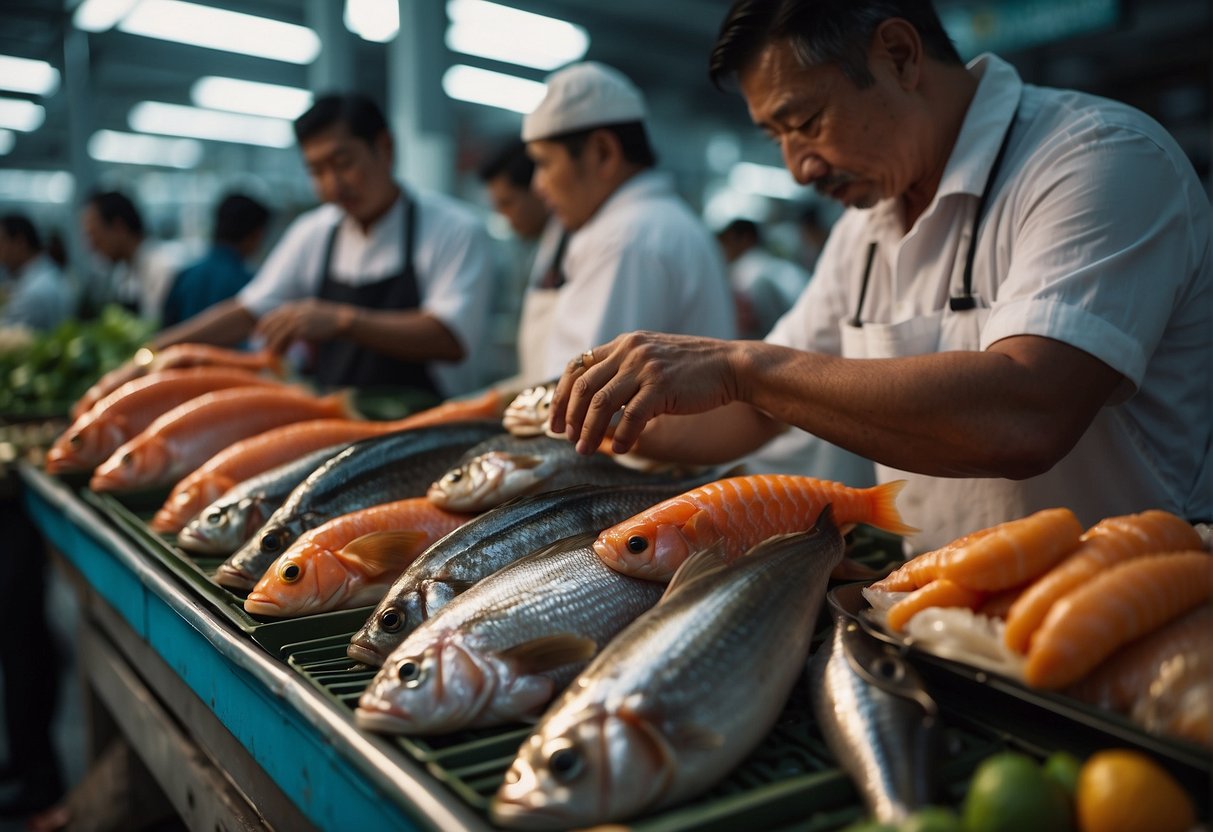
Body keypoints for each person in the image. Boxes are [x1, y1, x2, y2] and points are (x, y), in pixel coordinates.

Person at [549, 0, 1212, 552]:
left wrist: (742, 365)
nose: (797, 170)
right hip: (940, 611)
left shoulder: (1096, 160)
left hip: (1120, 609)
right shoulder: (865, 228)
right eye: (774, 137)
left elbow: (1025, 417)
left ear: (897, 55)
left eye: (805, 123)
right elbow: (750, 414)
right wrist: (604, 422)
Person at [144, 93, 494, 397]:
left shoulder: (454, 229)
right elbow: (249, 310)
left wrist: (344, 321)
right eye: (317, 171)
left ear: (385, 148)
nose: (333, 185)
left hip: (428, 428)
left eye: (342, 163)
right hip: (335, 423)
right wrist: (153, 353)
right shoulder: (315, 232)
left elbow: (450, 339)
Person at [521, 61, 737, 383]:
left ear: (603, 153)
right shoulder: (658, 221)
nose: (538, 185)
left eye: (544, 163)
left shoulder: (624, 237)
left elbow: (585, 398)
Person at [476, 139, 565, 387]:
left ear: (537, 191)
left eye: (507, 203)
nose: (504, 216)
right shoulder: (547, 244)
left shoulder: (579, 240)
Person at [160, 193, 270, 327]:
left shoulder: (185, 277)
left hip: (178, 348)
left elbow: (167, 326)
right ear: (255, 235)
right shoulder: (251, 286)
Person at [79, 190, 178, 322]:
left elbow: (160, 328)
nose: (91, 246)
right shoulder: (122, 272)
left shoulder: (161, 268)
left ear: (119, 227)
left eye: (94, 235)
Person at [717, 217, 810, 339]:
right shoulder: (778, 265)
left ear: (746, 239)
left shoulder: (748, 270)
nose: (724, 248)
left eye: (728, 241)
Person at [0, 214, 74, 332]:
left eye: (1, 242)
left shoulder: (35, 290)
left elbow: (7, 336)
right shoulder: (48, 272)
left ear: (20, 242)